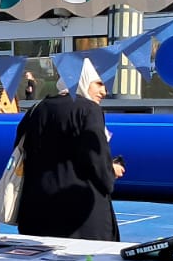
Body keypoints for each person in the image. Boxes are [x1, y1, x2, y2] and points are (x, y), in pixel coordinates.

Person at [14, 58, 121, 242]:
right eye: (99, 84)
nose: (104, 91)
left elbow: (22, 151)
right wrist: (111, 171)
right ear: (83, 80)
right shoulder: (88, 110)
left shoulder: (37, 109)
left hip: (37, 211)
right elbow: (96, 160)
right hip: (80, 216)